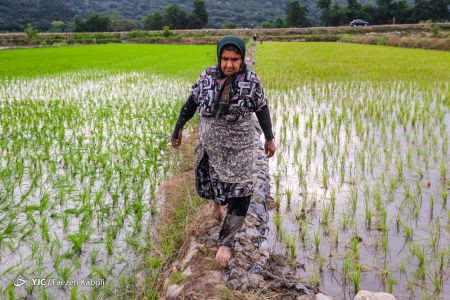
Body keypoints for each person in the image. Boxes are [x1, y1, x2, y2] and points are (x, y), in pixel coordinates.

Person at [171, 36, 275, 265]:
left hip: (240, 145)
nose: (229, 64)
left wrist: (269, 138)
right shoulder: (207, 76)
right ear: (219, 58)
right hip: (210, 143)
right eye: (225, 59)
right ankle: (217, 202)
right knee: (207, 178)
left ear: (241, 59)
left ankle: (226, 241)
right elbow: (191, 103)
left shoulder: (251, 80)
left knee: (241, 190)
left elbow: (262, 108)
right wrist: (178, 128)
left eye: (235, 59)